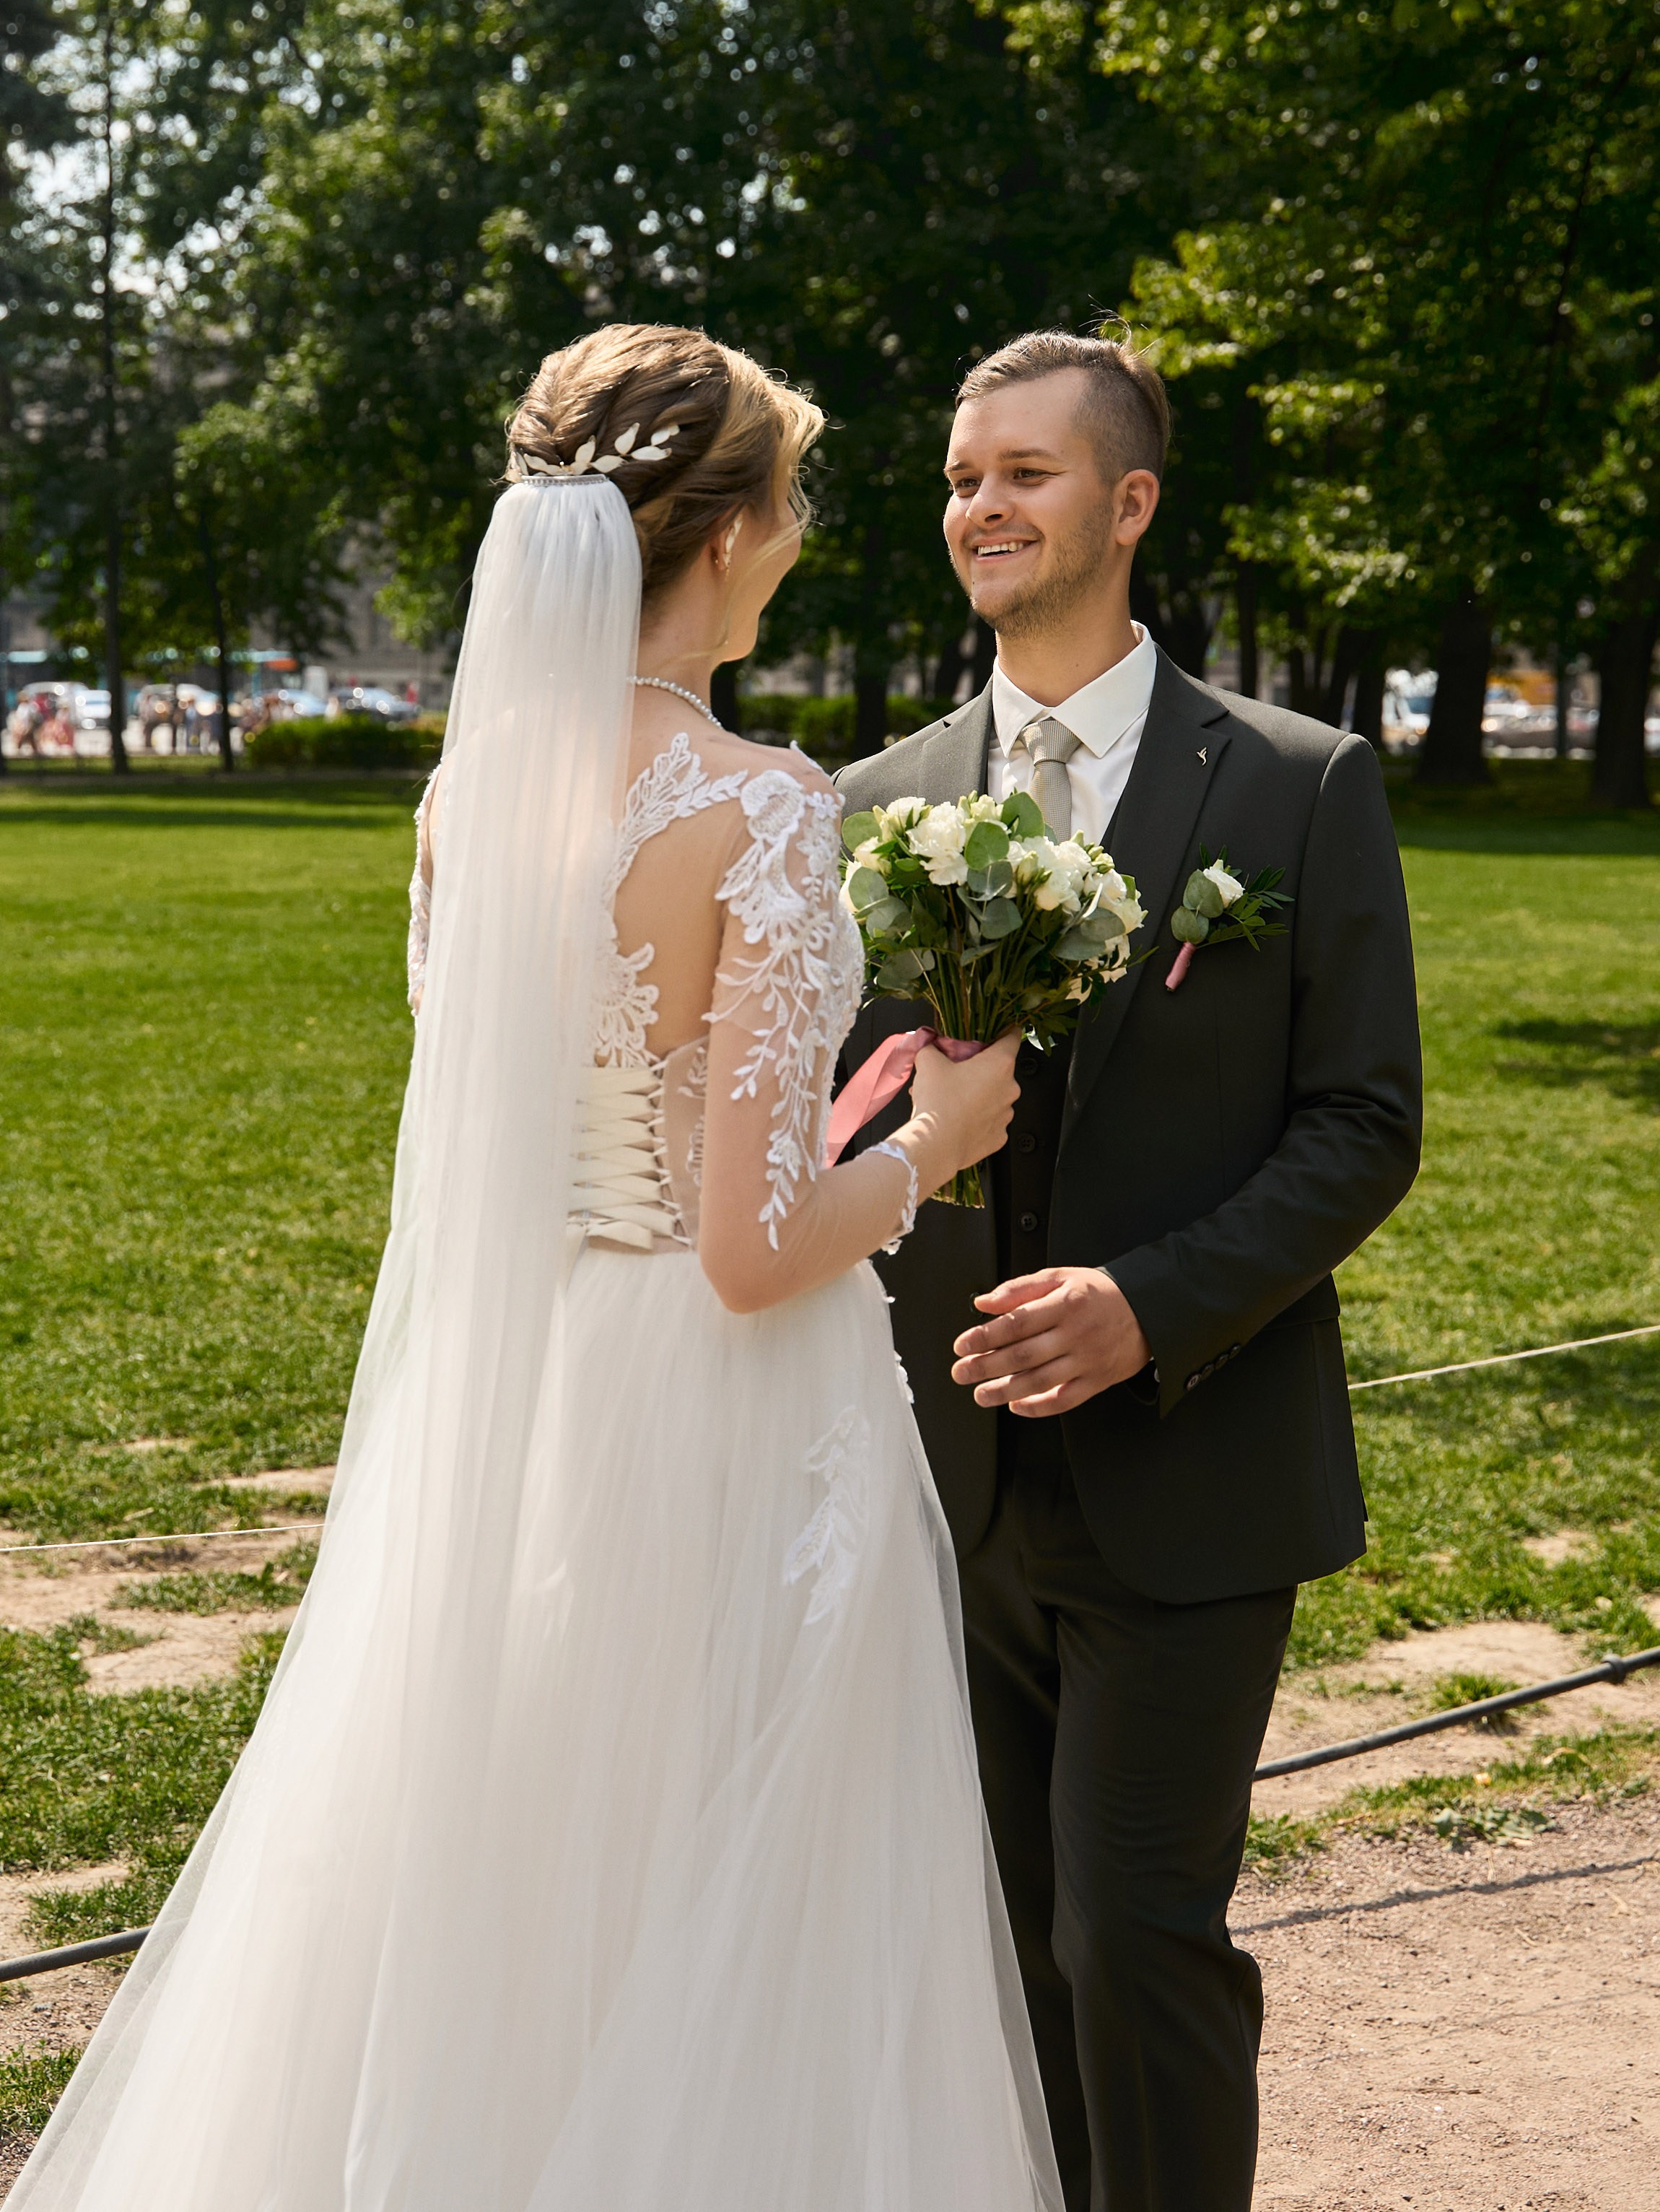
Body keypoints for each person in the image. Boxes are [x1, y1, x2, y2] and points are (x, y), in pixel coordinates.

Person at [14, 324, 1059, 2212]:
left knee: (536, 1869)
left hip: (552, 1375)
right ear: (723, 530)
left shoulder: (464, 800)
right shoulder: (755, 803)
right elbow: (746, 1249)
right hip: (733, 1420)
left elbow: (589, 1155)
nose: (810, 530)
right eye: (797, 493)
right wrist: (930, 1146)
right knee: (738, 1893)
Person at [836, 329, 1422, 2212]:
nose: (978, 507)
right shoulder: (872, 802)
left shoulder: (1293, 783)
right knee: (1004, 1950)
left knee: (1134, 1936)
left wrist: (1146, 1304)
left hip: (1192, 1478)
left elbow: (1360, 1120)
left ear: (1129, 501)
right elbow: (828, 1129)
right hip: (948, 1489)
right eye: (957, 476)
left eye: (1022, 471)